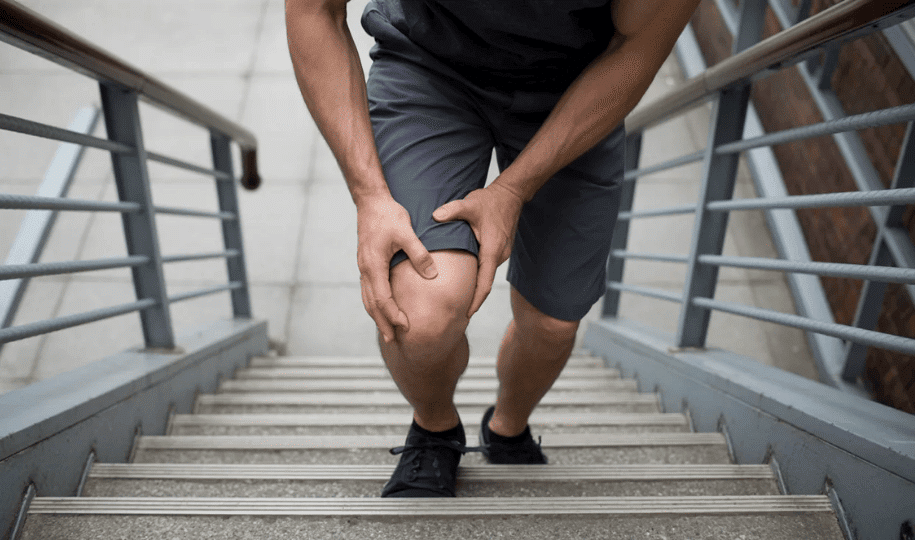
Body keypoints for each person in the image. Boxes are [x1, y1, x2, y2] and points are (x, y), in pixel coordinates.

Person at [286, 0, 700, 497]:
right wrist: (369, 194)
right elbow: (314, 10)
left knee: (552, 324)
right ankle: (436, 429)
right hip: (431, 64)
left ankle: (507, 427)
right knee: (419, 318)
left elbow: (638, 46)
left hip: (575, 84)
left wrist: (513, 189)